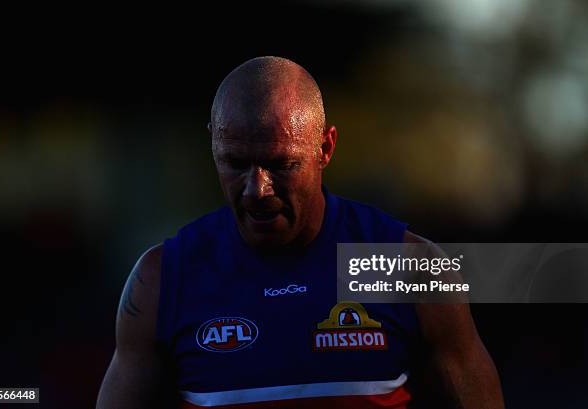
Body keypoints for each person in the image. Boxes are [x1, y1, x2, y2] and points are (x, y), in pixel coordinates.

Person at [96, 56, 504, 409]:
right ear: (213, 146)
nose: (257, 189)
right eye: (235, 163)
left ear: (325, 149)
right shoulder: (166, 281)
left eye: (281, 165)